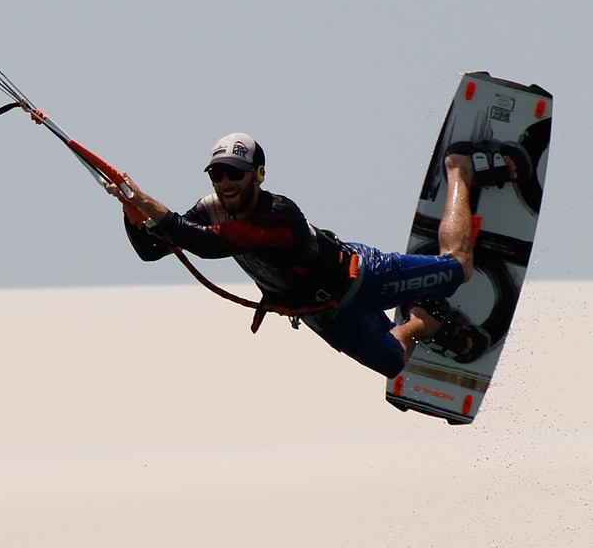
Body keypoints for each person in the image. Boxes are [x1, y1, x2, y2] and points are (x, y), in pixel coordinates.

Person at [107, 131, 527, 379]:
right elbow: (152, 250)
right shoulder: (211, 207)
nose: (224, 182)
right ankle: (424, 319)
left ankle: (460, 169)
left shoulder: (277, 214)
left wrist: (143, 199)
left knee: (460, 268)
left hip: (364, 276)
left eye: (234, 173)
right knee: (393, 364)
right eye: (216, 174)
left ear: (258, 174)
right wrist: (131, 211)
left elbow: (207, 244)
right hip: (323, 313)